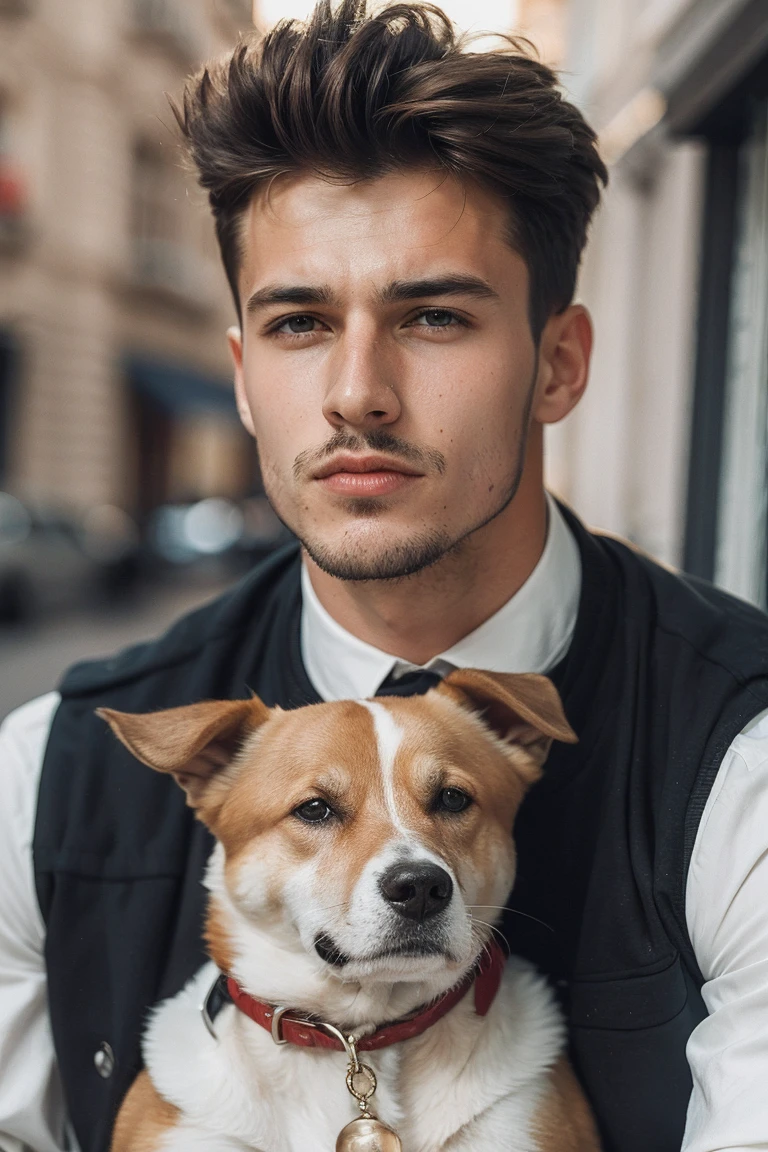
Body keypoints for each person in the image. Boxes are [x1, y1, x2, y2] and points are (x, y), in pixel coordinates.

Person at [1, 2, 767, 1149]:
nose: (359, 391)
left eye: (434, 316)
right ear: (246, 379)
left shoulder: (740, 753)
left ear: (557, 364)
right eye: (301, 323)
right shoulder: (41, 778)